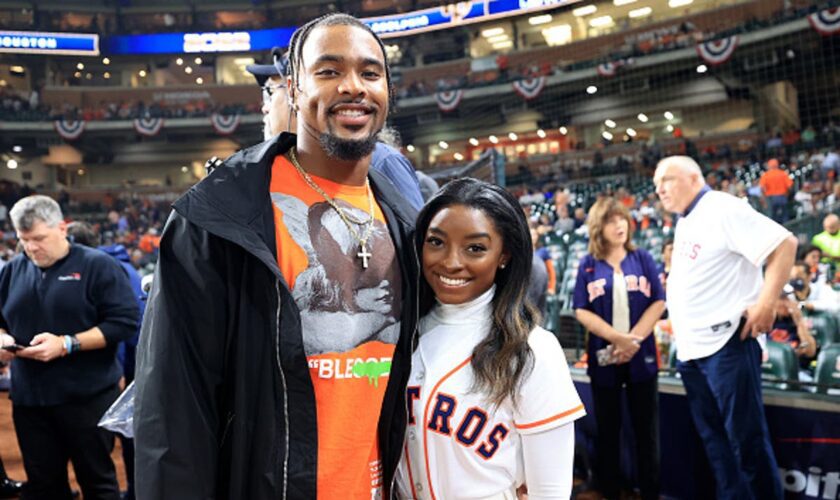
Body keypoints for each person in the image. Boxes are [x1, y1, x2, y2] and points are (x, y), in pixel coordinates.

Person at [134, 13, 419, 499]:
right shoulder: (219, 214)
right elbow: (173, 405)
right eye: (328, 71)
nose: (353, 87)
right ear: (292, 86)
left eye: (370, 73)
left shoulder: (407, 217)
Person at [396, 178, 585, 499]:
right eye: (436, 242)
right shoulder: (399, 333)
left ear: (504, 255)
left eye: (476, 248)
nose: (451, 262)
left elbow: (550, 492)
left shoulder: (533, 349)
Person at [654, 155, 797, 500]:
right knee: (716, 444)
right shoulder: (687, 219)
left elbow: (785, 244)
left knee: (746, 443)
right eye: (657, 185)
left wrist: (765, 303)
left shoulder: (721, 207)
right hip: (694, 350)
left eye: (667, 180)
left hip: (727, 346)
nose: (660, 190)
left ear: (692, 177)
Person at [0, 195, 139, 500]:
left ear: (62, 228)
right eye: (24, 240)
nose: (31, 248)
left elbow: (125, 322)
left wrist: (67, 343)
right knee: (44, 485)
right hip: (30, 400)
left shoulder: (98, 265)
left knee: (97, 483)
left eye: (39, 238)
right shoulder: (12, 270)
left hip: (85, 398)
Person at [246, 46, 425, 210]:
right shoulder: (291, 172)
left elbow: (416, 242)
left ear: (296, 94)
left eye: (269, 92)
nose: (265, 107)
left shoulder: (381, 162)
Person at [572, 197, 666, 500]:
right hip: (604, 357)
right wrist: (617, 338)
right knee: (608, 430)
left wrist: (633, 339)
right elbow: (581, 309)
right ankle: (609, 489)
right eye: (612, 221)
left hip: (642, 355)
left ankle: (650, 491)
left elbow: (659, 301)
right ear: (599, 227)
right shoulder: (588, 265)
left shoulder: (643, 258)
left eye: (623, 219)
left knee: (646, 431)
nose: (620, 225)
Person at [67, 221, 146, 500]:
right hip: (138, 358)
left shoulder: (102, 269)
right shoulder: (121, 264)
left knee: (126, 432)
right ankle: (137, 490)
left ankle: (135, 492)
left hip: (126, 361)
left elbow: (121, 327)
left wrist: (119, 370)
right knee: (133, 432)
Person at [758, 158, 792, 223]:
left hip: (771, 199)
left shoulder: (766, 175)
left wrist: (764, 200)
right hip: (782, 197)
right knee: (785, 216)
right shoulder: (783, 173)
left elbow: (762, 188)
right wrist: (787, 194)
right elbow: (790, 187)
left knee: (773, 218)